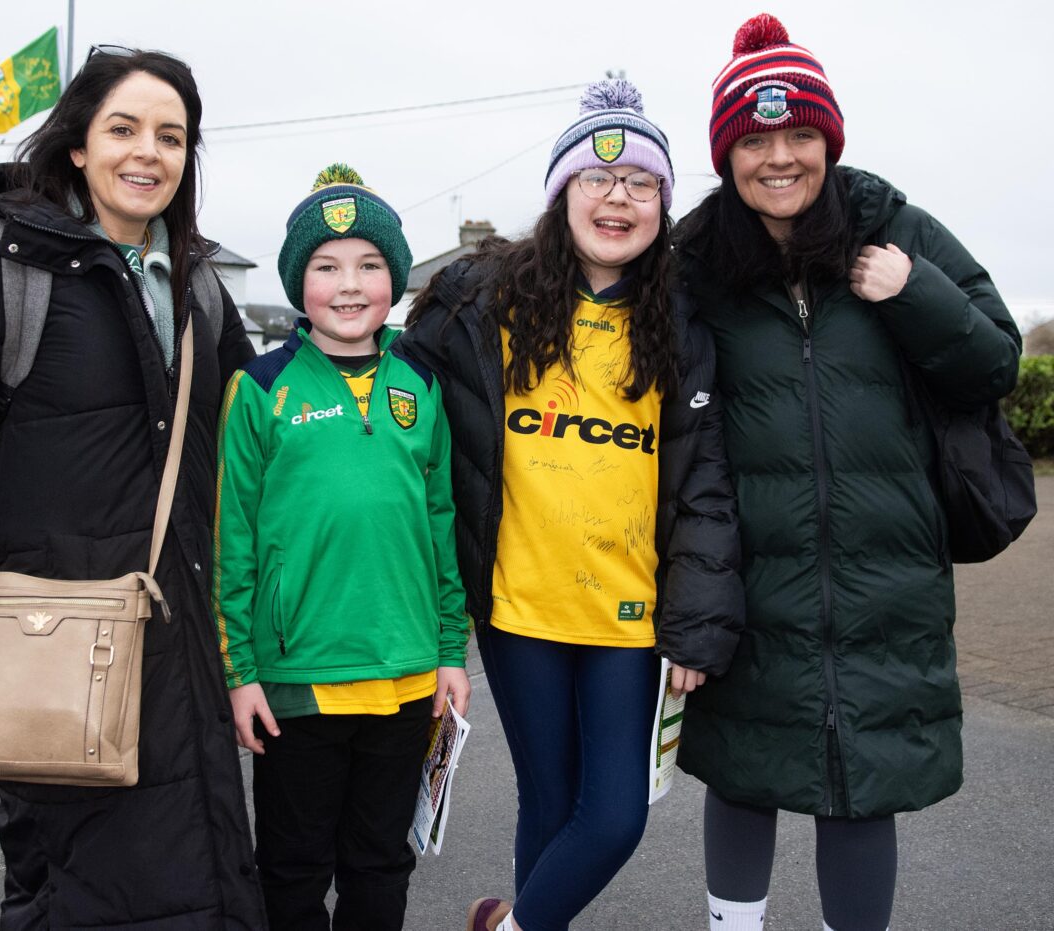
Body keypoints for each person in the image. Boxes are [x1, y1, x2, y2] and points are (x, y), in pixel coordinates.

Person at [0, 48, 267, 929]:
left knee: (198, 864)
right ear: (79, 147)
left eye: (172, 136)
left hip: (183, 637)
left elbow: (261, 431)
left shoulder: (202, 286)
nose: (149, 153)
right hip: (56, 646)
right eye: (124, 129)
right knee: (75, 881)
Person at [673, 15, 1023, 931]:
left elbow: (995, 366)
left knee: (861, 786)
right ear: (727, 153)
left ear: (828, 139)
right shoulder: (697, 262)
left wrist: (915, 291)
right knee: (745, 768)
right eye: (754, 140)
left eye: (798, 136)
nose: (778, 158)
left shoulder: (897, 227)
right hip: (748, 574)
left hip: (884, 576)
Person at [398, 80, 745, 931]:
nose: (618, 197)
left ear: (665, 204)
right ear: (561, 193)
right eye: (598, 177)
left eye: (641, 182)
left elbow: (704, 482)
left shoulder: (682, 322)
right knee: (550, 802)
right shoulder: (482, 302)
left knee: (616, 813)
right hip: (520, 607)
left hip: (626, 613)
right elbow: (395, 402)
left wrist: (697, 620)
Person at [211, 163, 471, 931]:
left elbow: (441, 520)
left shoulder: (420, 383)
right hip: (299, 684)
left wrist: (451, 650)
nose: (349, 285)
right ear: (299, 283)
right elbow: (232, 540)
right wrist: (241, 673)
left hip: (405, 676)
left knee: (380, 864)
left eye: (369, 266)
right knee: (292, 872)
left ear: (396, 280)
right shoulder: (260, 388)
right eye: (326, 268)